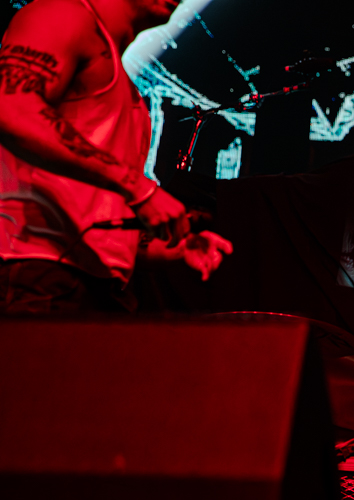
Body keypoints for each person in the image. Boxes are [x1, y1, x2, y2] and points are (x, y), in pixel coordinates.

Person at [0, 0, 231, 314]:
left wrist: (171, 249)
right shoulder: (61, 13)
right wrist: (137, 186)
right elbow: (11, 107)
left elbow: (92, 214)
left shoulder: (129, 93)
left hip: (100, 288)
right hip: (37, 272)